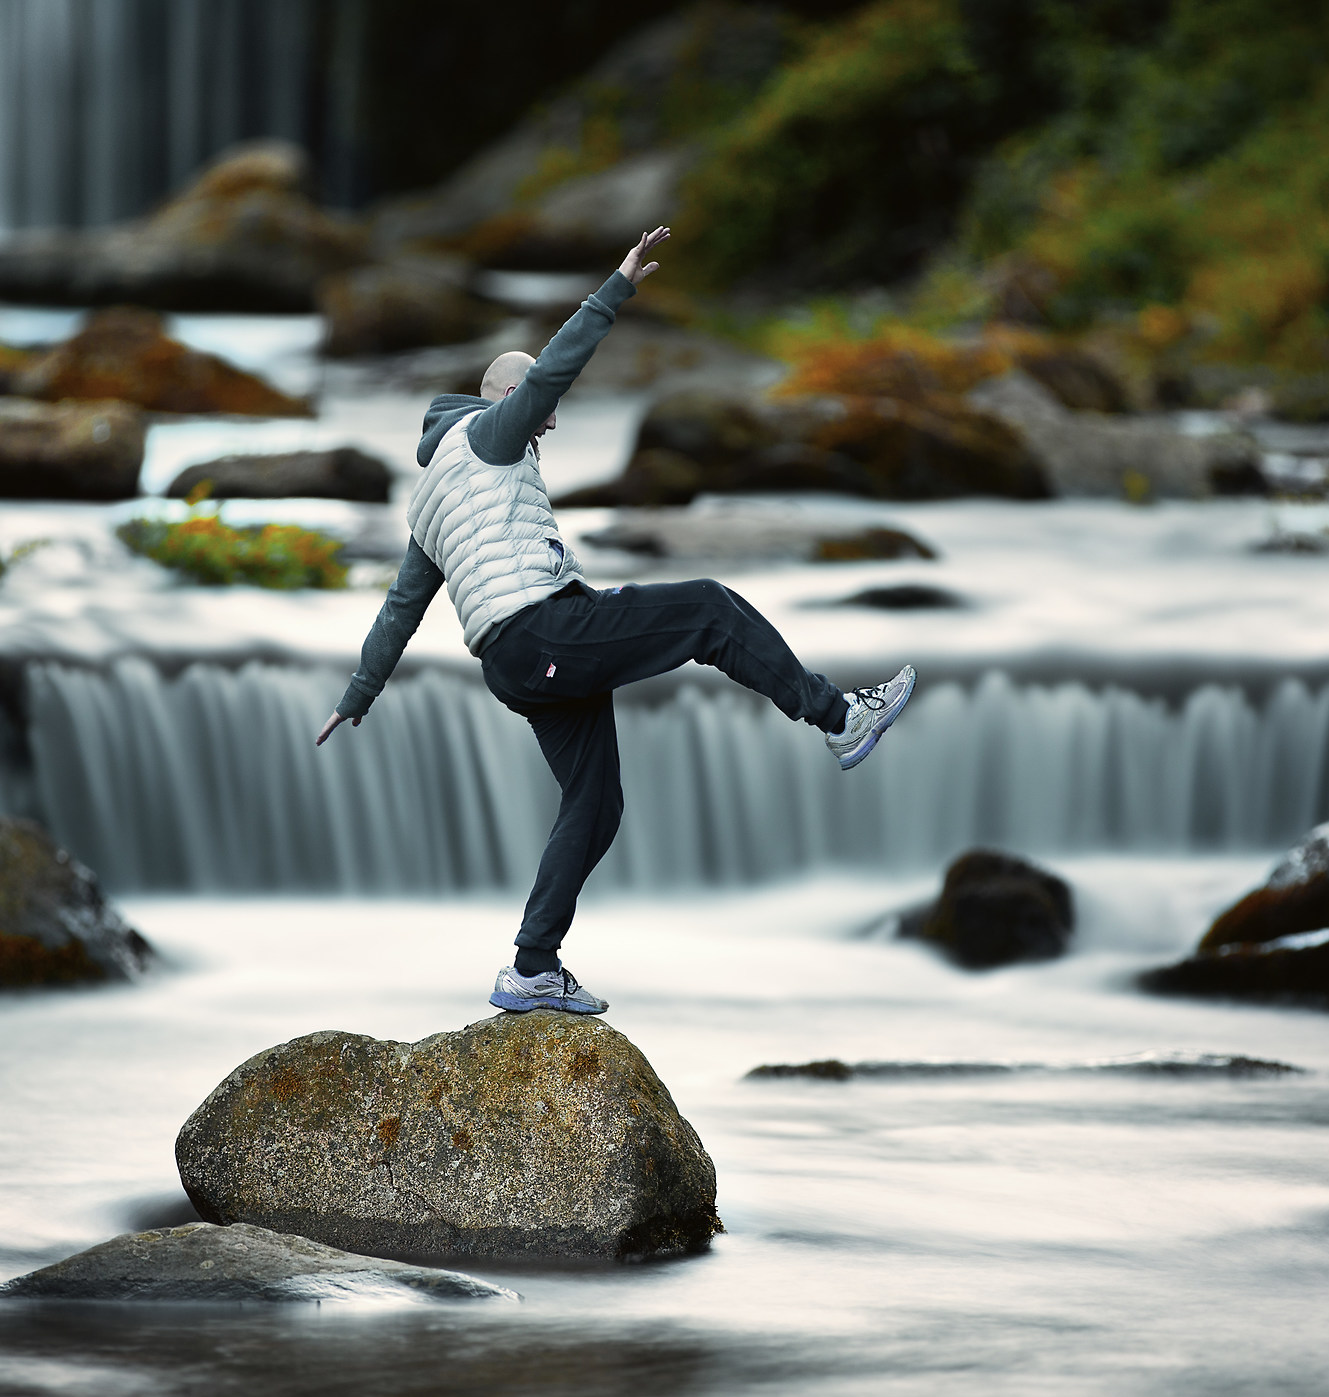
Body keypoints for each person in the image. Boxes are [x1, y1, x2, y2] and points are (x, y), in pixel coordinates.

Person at [317, 226, 915, 1015]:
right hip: (545, 630)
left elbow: (400, 609)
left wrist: (357, 696)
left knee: (594, 805)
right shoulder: (492, 433)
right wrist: (617, 285)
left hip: (515, 662)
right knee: (707, 608)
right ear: (505, 397)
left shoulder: (429, 495)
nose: (552, 426)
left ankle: (532, 968)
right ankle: (838, 718)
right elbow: (556, 366)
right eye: (539, 408)